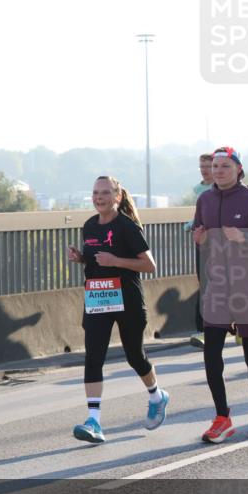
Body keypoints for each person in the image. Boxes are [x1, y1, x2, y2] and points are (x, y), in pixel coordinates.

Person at [67, 176, 170, 443]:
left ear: (117, 197)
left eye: (104, 193)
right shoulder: (89, 225)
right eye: (95, 193)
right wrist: (81, 258)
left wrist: (116, 261)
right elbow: (95, 260)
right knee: (93, 357)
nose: (99, 197)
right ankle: (94, 422)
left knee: (135, 357)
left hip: (128, 300)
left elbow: (149, 265)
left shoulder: (127, 226)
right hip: (98, 298)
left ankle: (157, 396)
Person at [192, 146, 248, 442]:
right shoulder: (205, 199)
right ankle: (222, 416)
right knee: (211, 354)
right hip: (219, 287)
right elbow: (204, 238)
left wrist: (245, 236)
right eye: (215, 166)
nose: (219, 170)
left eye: (225, 166)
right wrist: (200, 239)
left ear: (238, 169)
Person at [189, 153, 216, 349]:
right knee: (204, 284)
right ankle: (203, 329)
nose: (205, 170)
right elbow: (198, 214)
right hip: (203, 243)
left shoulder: (223, 189)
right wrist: (191, 224)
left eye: (209, 166)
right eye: (202, 166)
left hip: (223, 244)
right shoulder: (198, 190)